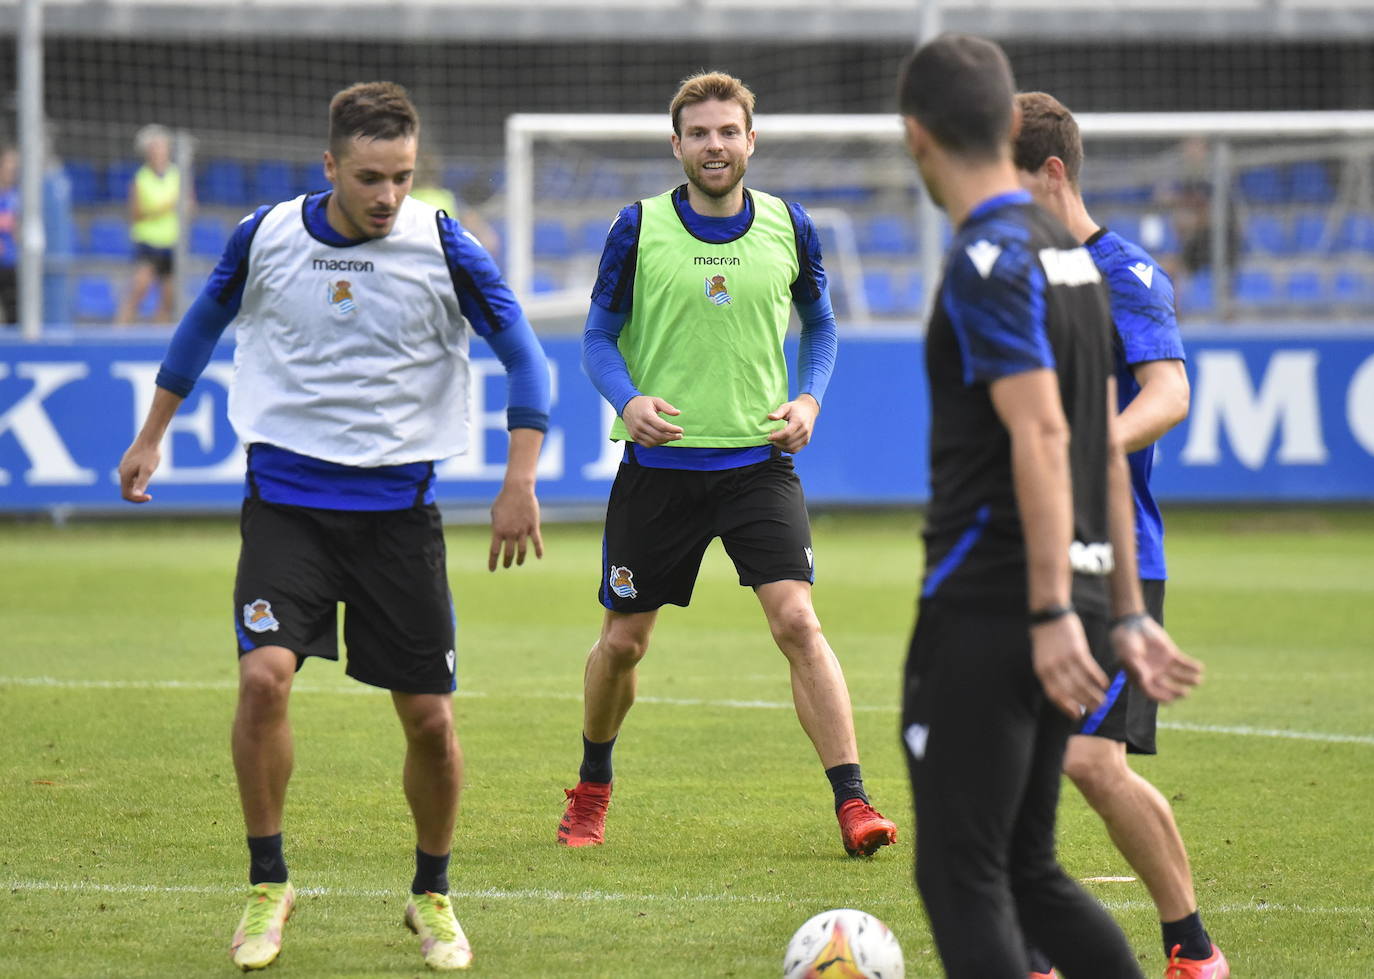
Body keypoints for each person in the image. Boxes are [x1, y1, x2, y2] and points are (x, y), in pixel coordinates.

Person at [117, 82, 550, 973]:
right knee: (265, 680)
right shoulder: (267, 235)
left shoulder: (445, 243)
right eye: (369, 178)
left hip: (399, 517)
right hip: (288, 509)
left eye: (402, 175)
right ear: (329, 167)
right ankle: (268, 882)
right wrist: (150, 436)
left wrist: (520, 480)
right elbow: (199, 326)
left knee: (430, 721)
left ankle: (431, 892)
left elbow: (525, 354)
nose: (388, 195)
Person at [896, 34, 1204, 978]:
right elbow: (1092, 436)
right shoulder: (1071, 262)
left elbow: (1043, 437)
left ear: (916, 138)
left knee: (965, 874)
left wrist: (1044, 609)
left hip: (991, 604)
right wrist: (1112, 607)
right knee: (1029, 869)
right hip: (1066, 596)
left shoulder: (992, 259)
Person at [558, 70, 898, 858]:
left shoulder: (789, 225)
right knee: (623, 645)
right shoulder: (636, 227)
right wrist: (628, 400)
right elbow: (597, 340)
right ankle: (593, 783)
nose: (715, 146)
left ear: (752, 138)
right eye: (699, 134)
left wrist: (809, 400)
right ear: (676, 144)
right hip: (660, 471)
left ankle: (854, 801)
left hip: (757, 468)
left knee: (798, 620)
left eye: (727, 132)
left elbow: (822, 327)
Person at [1011, 91, 1228, 979]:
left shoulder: (1126, 272)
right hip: (1024, 553)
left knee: (1093, 763)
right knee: (1012, 764)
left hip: (1110, 552)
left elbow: (1169, 393)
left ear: (1051, 173)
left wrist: (1092, 440)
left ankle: (1193, 948)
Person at [116, 124, 188, 325]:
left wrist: (182, 206)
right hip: (148, 242)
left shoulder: (178, 175)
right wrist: (165, 207)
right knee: (139, 289)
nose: (159, 151)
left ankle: (160, 337)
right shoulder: (141, 178)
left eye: (162, 147)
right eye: (155, 147)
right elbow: (136, 213)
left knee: (168, 297)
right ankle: (119, 331)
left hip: (172, 242)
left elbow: (190, 206)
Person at [0, 144, 18, 324]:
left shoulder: (17, 196)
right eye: (8, 164)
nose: (12, 170)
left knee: (14, 312)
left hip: (11, 263)